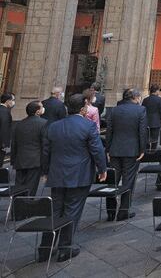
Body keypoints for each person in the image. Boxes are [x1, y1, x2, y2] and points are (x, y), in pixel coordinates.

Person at [41, 93, 107, 262]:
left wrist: (45, 171)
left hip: (57, 174)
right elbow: (97, 150)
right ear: (83, 107)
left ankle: (45, 248)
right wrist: (102, 168)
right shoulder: (88, 126)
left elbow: (46, 151)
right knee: (72, 210)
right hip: (79, 175)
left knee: (54, 210)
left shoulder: (53, 126)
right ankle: (65, 247)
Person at [105, 88, 148, 221]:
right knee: (128, 181)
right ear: (135, 98)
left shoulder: (114, 110)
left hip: (115, 149)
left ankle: (111, 211)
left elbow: (109, 131)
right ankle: (123, 211)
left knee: (112, 182)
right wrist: (142, 149)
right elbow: (142, 132)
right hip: (132, 150)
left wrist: (108, 149)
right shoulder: (140, 110)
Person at [11, 101, 47, 196]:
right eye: (41, 107)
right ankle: (25, 208)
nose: (43, 109)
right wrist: (45, 166)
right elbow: (45, 145)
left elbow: (14, 143)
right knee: (31, 188)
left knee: (19, 187)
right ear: (37, 112)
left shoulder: (19, 123)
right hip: (35, 161)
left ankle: (16, 208)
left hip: (20, 159)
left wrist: (13, 160)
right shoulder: (44, 124)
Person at [0, 92, 14, 165]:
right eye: (12, 100)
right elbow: (4, 128)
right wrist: (4, 144)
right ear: (8, 101)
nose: (13, 102)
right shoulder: (5, 112)